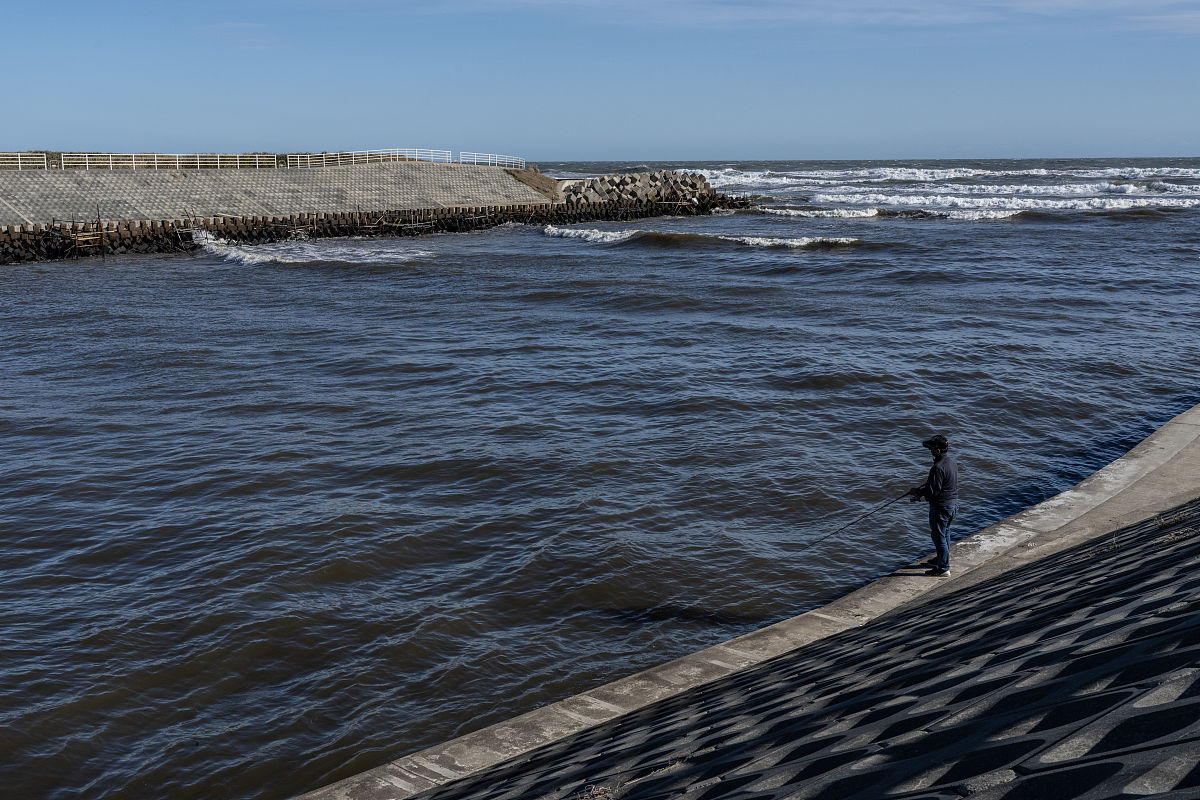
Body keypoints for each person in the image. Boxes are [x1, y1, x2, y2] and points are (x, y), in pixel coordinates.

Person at [908, 434, 959, 577]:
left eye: (931, 448)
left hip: (941, 507)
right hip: (952, 506)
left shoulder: (937, 468)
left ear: (938, 451)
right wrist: (922, 491)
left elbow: (933, 493)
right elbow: (939, 486)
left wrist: (918, 493)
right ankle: (941, 559)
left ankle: (943, 569)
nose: (930, 450)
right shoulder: (951, 463)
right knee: (945, 533)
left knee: (938, 537)